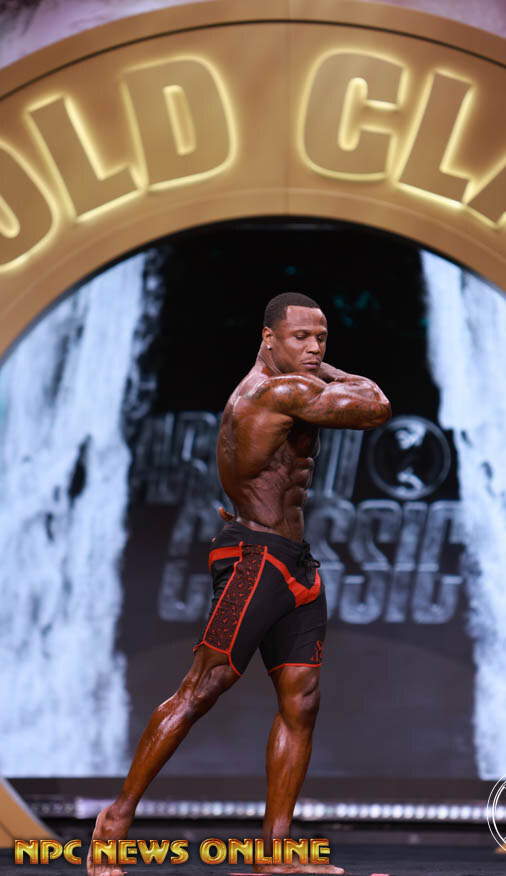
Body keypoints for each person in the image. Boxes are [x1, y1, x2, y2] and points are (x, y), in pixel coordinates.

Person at [88, 292, 391, 876]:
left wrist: (318, 368)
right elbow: (376, 406)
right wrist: (328, 372)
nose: (314, 347)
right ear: (267, 338)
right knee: (201, 688)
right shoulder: (277, 392)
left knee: (302, 700)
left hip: (295, 560)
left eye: (321, 339)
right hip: (256, 558)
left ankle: (274, 854)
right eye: (300, 337)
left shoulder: (293, 385)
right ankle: (113, 823)